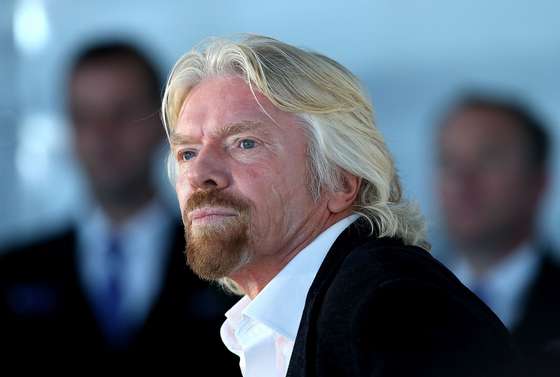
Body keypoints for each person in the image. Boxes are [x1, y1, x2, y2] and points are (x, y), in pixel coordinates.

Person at [161, 35, 520, 377]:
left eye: (244, 143)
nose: (199, 173)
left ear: (340, 180)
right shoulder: (300, 320)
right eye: (187, 153)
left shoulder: (394, 310)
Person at [0, 41, 237, 371]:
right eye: (85, 117)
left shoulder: (230, 268)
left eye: (122, 113)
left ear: (165, 124)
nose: (103, 135)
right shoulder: (13, 274)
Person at [435, 94, 560, 375]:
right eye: (448, 162)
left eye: (488, 159)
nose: (461, 182)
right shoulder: (396, 301)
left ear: (539, 182)